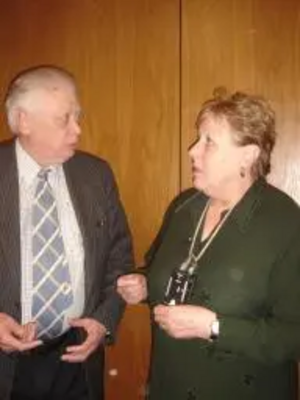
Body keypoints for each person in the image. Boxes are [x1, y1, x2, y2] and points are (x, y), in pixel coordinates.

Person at [118, 89, 300, 400]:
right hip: (169, 385)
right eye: (197, 139)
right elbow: (161, 268)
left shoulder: (285, 222)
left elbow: (292, 335)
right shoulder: (183, 205)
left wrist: (214, 327)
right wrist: (145, 283)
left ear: (249, 154)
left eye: (209, 142)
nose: (193, 150)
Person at [0, 65, 133, 400]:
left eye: (78, 116)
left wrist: (103, 322)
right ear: (24, 120)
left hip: (77, 356)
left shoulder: (96, 174)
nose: (78, 129)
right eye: (65, 119)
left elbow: (120, 259)